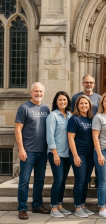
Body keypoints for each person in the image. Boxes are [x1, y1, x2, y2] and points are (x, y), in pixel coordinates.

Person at [15, 82, 50, 220]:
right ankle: (22, 208)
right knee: (24, 180)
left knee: (40, 180)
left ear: (43, 93)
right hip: (28, 151)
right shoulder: (24, 108)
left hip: (42, 151)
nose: (38, 94)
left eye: (41, 91)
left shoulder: (46, 109)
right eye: (36, 91)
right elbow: (18, 129)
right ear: (31, 92)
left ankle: (37, 205)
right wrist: (21, 148)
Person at [70, 74, 101, 188]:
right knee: (81, 178)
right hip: (81, 139)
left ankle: (97, 183)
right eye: (87, 82)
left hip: (95, 139)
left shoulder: (99, 98)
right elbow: (74, 116)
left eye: (91, 82)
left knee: (94, 168)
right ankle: (80, 200)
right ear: (82, 83)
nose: (89, 84)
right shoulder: (75, 97)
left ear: (94, 84)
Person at [68, 95, 94, 218]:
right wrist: (75, 155)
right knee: (79, 180)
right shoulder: (74, 119)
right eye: (81, 104)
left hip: (90, 154)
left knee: (86, 181)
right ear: (77, 106)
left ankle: (83, 205)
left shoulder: (91, 119)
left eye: (86, 103)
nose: (84, 106)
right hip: (79, 154)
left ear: (89, 105)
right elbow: (71, 138)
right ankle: (77, 207)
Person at [46, 91, 72, 218]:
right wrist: (55, 153)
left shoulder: (70, 116)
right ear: (56, 101)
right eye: (60, 100)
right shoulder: (53, 116)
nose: (63, 102)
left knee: (63, 181)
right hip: (56, 153)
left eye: (65, 100)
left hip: (67, 154)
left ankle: (60, 205)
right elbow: (50, 136)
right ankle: (53, 207)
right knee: (58, 180)